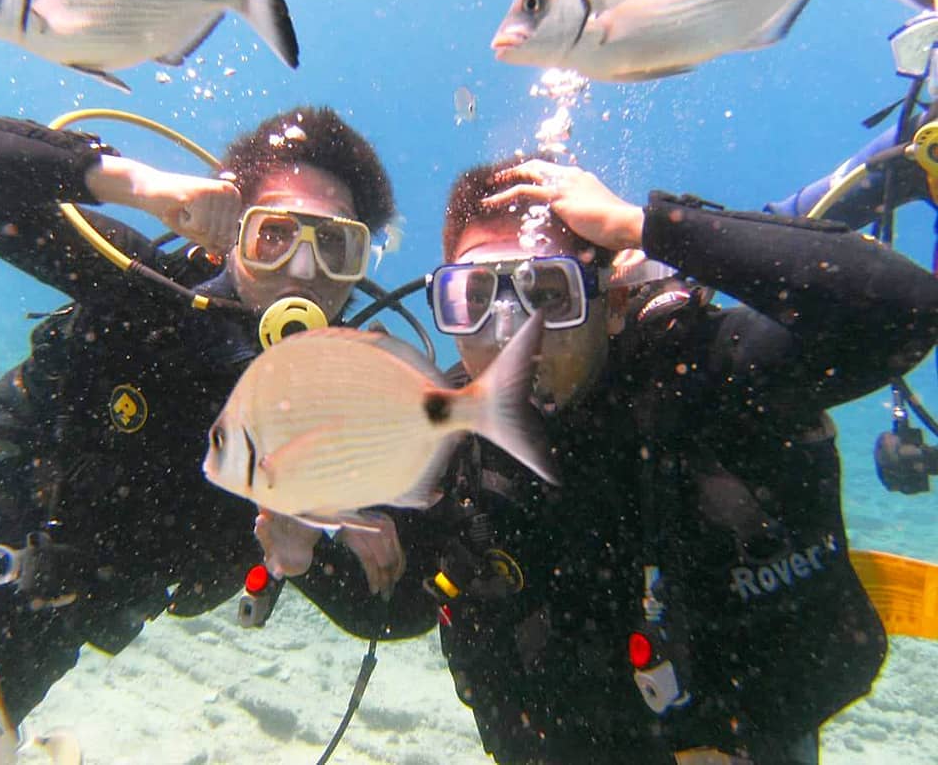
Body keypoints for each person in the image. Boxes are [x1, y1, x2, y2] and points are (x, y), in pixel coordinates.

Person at [328, 154, 937, 765]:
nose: (509, 331)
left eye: (547, 293)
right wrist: (297, 543)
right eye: (474, 297)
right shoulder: (448, 434)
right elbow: (390, 601)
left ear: (614, 302)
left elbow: (907, 309)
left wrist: (647, 226)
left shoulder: (697, 378)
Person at [0, 105, 400, 722]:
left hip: (42, 623)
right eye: (274, 232)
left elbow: (386, 610)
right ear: (230, 235)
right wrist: (138, 186)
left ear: (362, 264)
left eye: (335, 243)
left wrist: (306, 554)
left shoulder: (353, 414)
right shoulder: (143, 288)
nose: (302, 270)